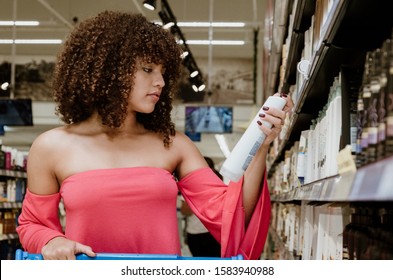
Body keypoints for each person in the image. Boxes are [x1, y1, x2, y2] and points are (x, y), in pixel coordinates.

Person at [16, 11, 293, 260]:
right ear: (109, 71)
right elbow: (32, 224)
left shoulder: (173, 144)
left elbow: (231, 216)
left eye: (163, 72)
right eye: (148, 69)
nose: (160, 82)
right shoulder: (51, 147)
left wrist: (260, 145)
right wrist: (52, 240)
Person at [180, 157, 221, 257]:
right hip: (195, 233)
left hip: (213, 232)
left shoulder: (218, 185)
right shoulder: (190, 185)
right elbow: (185, 211)